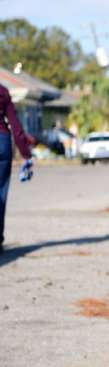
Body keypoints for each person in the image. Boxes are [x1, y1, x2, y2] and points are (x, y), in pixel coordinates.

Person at [0, 83, 33, 254]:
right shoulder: (3, 91)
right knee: (1, 193)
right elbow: (15, 125)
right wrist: (26, 154)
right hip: (2, 143)